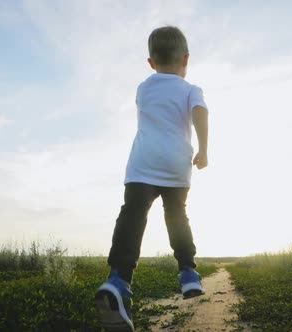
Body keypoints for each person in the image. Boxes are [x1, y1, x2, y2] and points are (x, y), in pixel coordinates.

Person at [95, 26, 209, 332]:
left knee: (133, 215)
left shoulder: (143, 88)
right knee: (176, 215)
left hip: (143, 164)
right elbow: (200, 112)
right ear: (186, 59)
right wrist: (204, 149)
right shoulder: (191, 89)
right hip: (176, 165)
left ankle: (119, 279)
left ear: (151, 62)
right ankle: (187, 272)